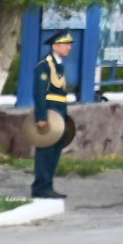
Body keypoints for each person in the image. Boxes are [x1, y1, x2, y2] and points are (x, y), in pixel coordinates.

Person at [33, 30, 76, 200]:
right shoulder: (44, 66)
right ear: (55, 46)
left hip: (59, 115)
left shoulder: (59, 66)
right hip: (49, 115)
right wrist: (41, 117)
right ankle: (40, 187)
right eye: (66, 45)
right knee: (45, 151)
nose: (69, 48)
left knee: (55, 151)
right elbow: (39, 93)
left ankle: (48, 185)